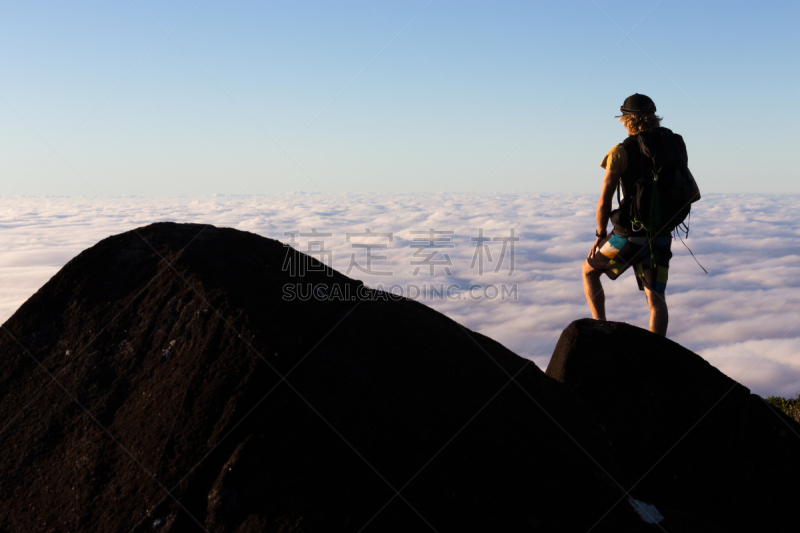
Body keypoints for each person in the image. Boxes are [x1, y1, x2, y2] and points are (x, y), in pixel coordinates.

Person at [582, 94, 701, 336]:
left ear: (626, 120)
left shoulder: (620, 151)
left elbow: (605, 199)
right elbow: (694, 193)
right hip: (662, 235)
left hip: (629, 235)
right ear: (654, 118)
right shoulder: (671, 148)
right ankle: (656, 355)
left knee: (589, 272)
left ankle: (600, 328)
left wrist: (600, 233)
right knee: (656, 300)